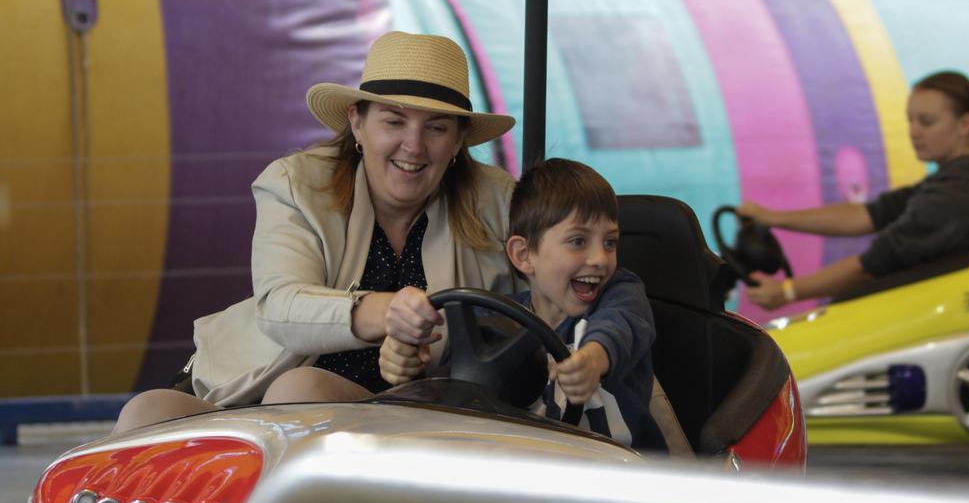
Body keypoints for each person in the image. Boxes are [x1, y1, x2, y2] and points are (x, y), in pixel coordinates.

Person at [113, 31, 523, 433]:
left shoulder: (496, 201)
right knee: (146, 412)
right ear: (358, 124)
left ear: (458, 141)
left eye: (436, 128)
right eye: (394, 121)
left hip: (406, 411)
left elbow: (550, 294)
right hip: (263, 389)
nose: (413, 146)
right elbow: (280, 306)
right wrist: (387, 312)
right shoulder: (296, 183)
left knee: (300, 392)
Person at [381, 158, 668, 452]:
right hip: (524, 468)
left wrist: (593, 360)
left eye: (610, 242)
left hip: (618, 473)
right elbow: (457, 389)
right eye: (578, 241)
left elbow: (621, 327)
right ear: (523, 254)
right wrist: (407, 362)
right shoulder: (492, 320)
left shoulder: (620, 293)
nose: (599, 258)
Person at [739, 70, 969, 311]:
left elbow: (870, 267)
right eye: (911, 120)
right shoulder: (964, 176)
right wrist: (772, 217)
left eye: (927, 122)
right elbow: (866, 215)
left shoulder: (957, 194)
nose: (914, 132)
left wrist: (787, 291)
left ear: (964, 125)